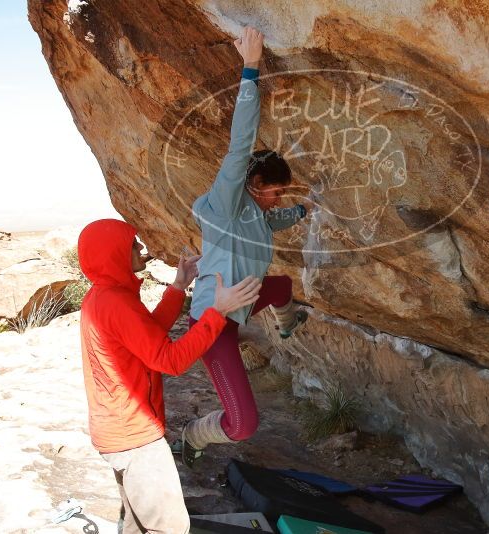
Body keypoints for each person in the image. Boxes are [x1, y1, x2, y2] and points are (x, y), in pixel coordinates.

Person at [77, 218, 261, 534]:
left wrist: (178, 286)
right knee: (169, 526)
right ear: (113, 254)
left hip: (116, 432)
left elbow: (147, 337)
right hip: (135, 439)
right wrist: (218, 313)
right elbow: (169, 360)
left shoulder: (102, 296)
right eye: (132, 244)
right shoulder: (116, 302)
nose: (140, 248)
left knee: (138, 523)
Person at [179, 26, 308, 466]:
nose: (278, 200)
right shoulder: (226, 204)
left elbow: (274, 221)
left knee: (283, 286)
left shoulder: (256, 214)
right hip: (211, 326)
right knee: (243, 425)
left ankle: (288, 322)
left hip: (242, 303)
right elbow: (240, 145)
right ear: (253, 183)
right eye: (274, 191)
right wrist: (249, 68)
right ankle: (194, 433)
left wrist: (306, 211)